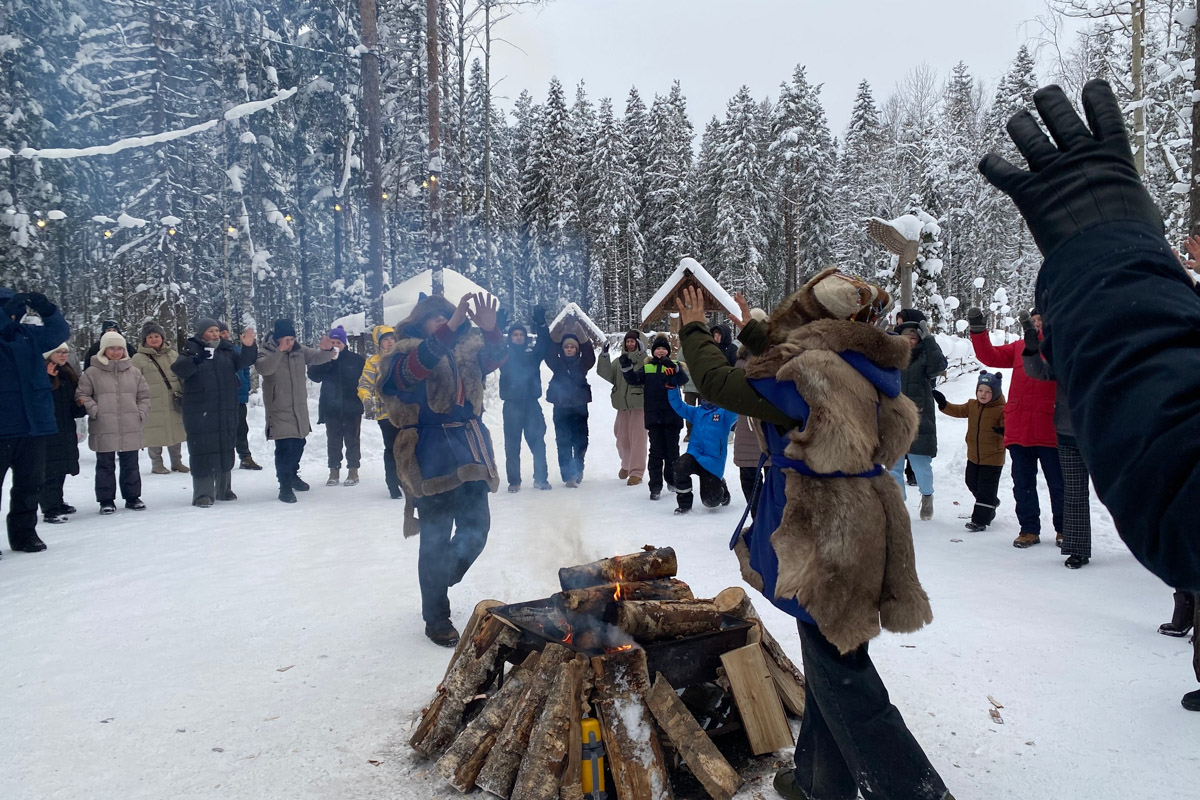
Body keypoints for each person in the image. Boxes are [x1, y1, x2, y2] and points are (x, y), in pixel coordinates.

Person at [676, 276, 949, 800]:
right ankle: (818, 782)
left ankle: (915, 792)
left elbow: (720, 385)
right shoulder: (871, 367)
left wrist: (694, 332)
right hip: (867, 525)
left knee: (845, 678)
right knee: (831, 657)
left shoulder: (808, 375)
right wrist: (753, 331)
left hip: (827, 534)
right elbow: (799, 361)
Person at [978, 79, 1200, 589]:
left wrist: (1107, 266)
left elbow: (1178, 489)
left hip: (1072, 431)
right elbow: (1015, 359)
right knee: (1048, 490)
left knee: (1067, 493)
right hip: (1062, 430)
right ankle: (1056, 536)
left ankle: (1067, 539)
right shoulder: (1029, 348)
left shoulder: (1044, 346)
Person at [379, 292, 506, 647]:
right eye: (434, 318)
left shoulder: (467, 351)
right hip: (428, 450)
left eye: (445, 317)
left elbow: (497, 358)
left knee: (477, 529)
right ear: (420, 323)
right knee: (435, 539)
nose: (442, 321)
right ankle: (436, 616)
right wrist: (447, 331)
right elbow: (409, 375)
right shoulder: (403, 353)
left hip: (470, 446)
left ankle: (440, 576)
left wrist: (492, 331)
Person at [965, 305, 1062, 548]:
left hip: (1051, 427)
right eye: (1035, 319)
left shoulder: (1061, 345)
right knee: (1023, 483)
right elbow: (990, 356)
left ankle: (1064, 529)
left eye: (1043, 320)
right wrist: (978, 331)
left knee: (1058, 483)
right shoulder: (1019, 346)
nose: (1038, 324)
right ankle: (1029, 529)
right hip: (1020, 428)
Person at [0, 288, 71, 555]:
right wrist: (4, 314)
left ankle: (24, 534)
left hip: (34, 425)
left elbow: (58, 333)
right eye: (7, 308)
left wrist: (48, 310)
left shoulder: (28, 336)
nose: (14, 313)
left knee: (30, 484)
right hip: (3, 426)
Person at [1019, 311, 1091, 568]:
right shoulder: (1064, 352)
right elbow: (1040, 371)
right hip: (1068, 432)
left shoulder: (1106, 351)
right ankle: (1077, 549)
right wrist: (1030, 348)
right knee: (1074, 493)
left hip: (1102, 434)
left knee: (1124, 491)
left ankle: (1145, 543)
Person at [173, 318, 258, 507]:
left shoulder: (226, 350)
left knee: (225, 447)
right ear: (201, 332)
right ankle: (203, 494)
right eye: (210, 331)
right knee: (203, 450)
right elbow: (179, 369)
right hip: (200, 410)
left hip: (225, 408)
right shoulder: (192, 348)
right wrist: (197, 359)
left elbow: (244, 361)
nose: (214, 334)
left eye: (216, 331)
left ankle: (224, 489)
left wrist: (249, 346)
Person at [257, 319, 335, 503]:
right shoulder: (265, 352)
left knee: (299, 444)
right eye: (286, 339)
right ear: (277, 339)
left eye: (292, 338)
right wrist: (279, 352)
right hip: (278, 408)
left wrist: (327, 350)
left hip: (299, 408)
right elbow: (264, 369)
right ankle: (284, 486)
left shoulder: (299, 350)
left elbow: (319, 357)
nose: (290, 342)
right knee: (285, 447)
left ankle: (292, 475)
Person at [77, 331, 151, 514]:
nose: (116, 352)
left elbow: (145, 395)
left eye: (120, 348)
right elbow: (82, 394)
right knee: (105, 465)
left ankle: (132, 497)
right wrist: (95, 410)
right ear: (104, 350)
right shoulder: (92, 372)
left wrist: (140, 412)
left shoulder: (133, 372)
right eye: (112, 348)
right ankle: (106, 500)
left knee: (130, 463)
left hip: (130, 424)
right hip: (104, 425)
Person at [888, 309, 947, 521]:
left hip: (920, 419)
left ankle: (927, 495)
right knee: (893, 465)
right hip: (895, 420)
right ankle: (897, 505)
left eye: (913, 338)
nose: (909, 341)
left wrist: (929, 339)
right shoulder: (891, 358)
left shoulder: (925, 357)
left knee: (921, 464)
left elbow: (939, 366)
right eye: (905, 338)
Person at [932, 372, 1006, 532]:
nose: (983, 394)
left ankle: (980, 520)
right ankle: (991, 502)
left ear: (996, 393)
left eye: (988, 392)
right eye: (980, 390)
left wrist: (1004, 430)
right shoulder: (972, 405)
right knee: (971, 482)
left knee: (986, 490)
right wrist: (944, 404)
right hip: (974, 456)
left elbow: (1010, 424)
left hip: (993, 458)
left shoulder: (1001, 410)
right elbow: (958, 410)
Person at [621, 335, 688, 501]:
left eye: (664, 348)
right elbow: (634, 380)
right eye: (658, 348)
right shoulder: (648, 367)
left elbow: (683, 380)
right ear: (653, 351)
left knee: (672, 453)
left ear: (668, 351)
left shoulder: (675, 366)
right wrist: (626, 367)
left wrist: (672, 367)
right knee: (656, 452)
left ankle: (672, 481)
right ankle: (655, 486)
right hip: (654, 416)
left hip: (672, 416)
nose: (661, 351)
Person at [498, 309, 551, 492]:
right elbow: (492, 345)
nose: (518, 337)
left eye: (521, 334)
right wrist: (497, 325)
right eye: (515, 334)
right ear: (510, 337)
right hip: (511, 406)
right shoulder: (503, 356)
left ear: (525, 337)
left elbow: (544, 344)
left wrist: (541, 324)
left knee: (538, 443)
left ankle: (541, 479)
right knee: (512, 445)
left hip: (531, 405)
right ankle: (514, 481)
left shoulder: (532, 355)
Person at [307, 325, 366, 487]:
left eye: (338, 342)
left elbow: (366, 380)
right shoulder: (324, 359)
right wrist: (326, 359)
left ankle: (353, 470)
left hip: (352, 407)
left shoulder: (356, 359)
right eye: (332, 342)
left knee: (352, 439)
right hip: (331, 407)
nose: (335, 345)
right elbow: (313, 376)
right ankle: (334, 470)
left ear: (344, 344)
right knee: (333, 440)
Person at [667, 387, 736, 514]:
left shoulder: (725, 414)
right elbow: (679, 406)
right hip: (694, 454)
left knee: (710, 502)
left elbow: (737, 406)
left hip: (713, 462)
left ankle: (721, 488)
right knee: (680, 466)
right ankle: (684, 505)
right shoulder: (697, 411)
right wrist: (672, 388)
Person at [131, 322, 188, 475]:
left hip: (173, 400)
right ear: (145, 340)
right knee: (154, 434)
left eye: (157, 336)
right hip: (151, 402)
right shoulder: (138, 358)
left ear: (162, 338)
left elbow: (181, 375)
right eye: (150, 337)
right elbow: (133, 381)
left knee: (175, 431)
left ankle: (177, 462)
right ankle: (157, 464)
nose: (154, 339)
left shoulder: (173, 354)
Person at [39, 343, 86, 524]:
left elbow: (69, 402)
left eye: (65, 352)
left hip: (65, 426)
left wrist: (79, 407)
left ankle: (57, 501)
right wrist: (47, 379)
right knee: (49, 468)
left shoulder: (67, 372)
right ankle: (49, 507)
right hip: (48, 427)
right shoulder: (40, 373)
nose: (63, 355)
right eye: (59, 352)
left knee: (61, 467)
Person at [596, 330, 648, 486]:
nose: (629, 344)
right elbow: (606, 374)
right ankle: (626, 464)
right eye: (628, 341)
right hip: (622, 405)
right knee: (621, 438)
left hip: (639, 406)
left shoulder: (646, 361)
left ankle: (636, 472)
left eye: (633, 342)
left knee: (638, 440)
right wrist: (604, 356)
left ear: (639, 343)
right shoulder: (619, 361)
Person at [544, 332, 595, 488]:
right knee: (564, 441)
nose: (569, 349)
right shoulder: (556, 364)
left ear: (576, 349)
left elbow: (590, 355)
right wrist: (556, 333)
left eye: (572, 347)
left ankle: (578, 469)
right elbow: (549, 352)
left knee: (581, 441)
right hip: (561, 409)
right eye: (566, 347)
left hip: (579, 408)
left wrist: (582, 335)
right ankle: (568, 475)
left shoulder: (582, 364)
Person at [358, 325, 402, 499]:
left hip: (406, 412)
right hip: (386, 414)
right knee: (391, 449)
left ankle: (405, 479)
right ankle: (392, 484)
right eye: (386, 339)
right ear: (379, 343)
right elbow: (364, 384)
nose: (390, 342)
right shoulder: (373, 362)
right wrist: (367, 400)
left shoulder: (402, 358)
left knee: (408, 448)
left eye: (392, 338)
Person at [221, 323, 262, 471]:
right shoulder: (214, 353)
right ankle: (226, 459)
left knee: (241, 428)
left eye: (226, 332)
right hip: (223, 401)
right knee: (225, 430)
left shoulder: (236, 350)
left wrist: (246, 387)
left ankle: (245, 457)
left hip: (239, 398)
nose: (224, 335)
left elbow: (245, 370)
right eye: (221, 332)